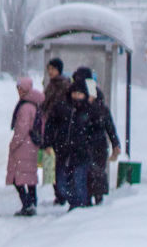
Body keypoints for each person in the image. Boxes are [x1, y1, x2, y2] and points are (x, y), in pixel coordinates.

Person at [44, 69, 107, 210]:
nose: (76, 96)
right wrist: (48, 143)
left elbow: (98, 130)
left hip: (82, 154)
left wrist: (89, 144)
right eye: (74, 93)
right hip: (63, 153)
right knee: (61, 185)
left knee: (79, 182)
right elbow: (50, 125)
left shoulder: (91, 110)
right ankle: (75, 204)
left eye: (79, 93)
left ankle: (79, 208)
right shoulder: (62, 108)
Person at [71, 66, 121, 204]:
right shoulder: (78, 97)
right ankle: (92, 199)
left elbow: (107, 122)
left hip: (95, 143)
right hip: (91, 143)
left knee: (94, 172)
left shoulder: (93, 98)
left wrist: (115, 142)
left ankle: (95, 199)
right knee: (92, 172)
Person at [6, 76, 45, 215]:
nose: (18, 91)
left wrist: (13, 144)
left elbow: (21, 129)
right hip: (31, 145)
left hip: (23, 146)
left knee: (18, 178)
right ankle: (32, 203)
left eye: (20, 88)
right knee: (29, 176)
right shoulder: (34, 104)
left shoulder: (25, 107)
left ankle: (27, 204)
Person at [40, 59, 71, 205]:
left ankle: (62, 193)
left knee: (59, 164)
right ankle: (60, 192)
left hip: (59, 128)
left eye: (52, 69)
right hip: (54, 127)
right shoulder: (53, 84)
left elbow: (50, 105)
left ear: (59, 69)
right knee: (55, 164)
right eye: (49, 69)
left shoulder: (62, 85)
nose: (50, 72)